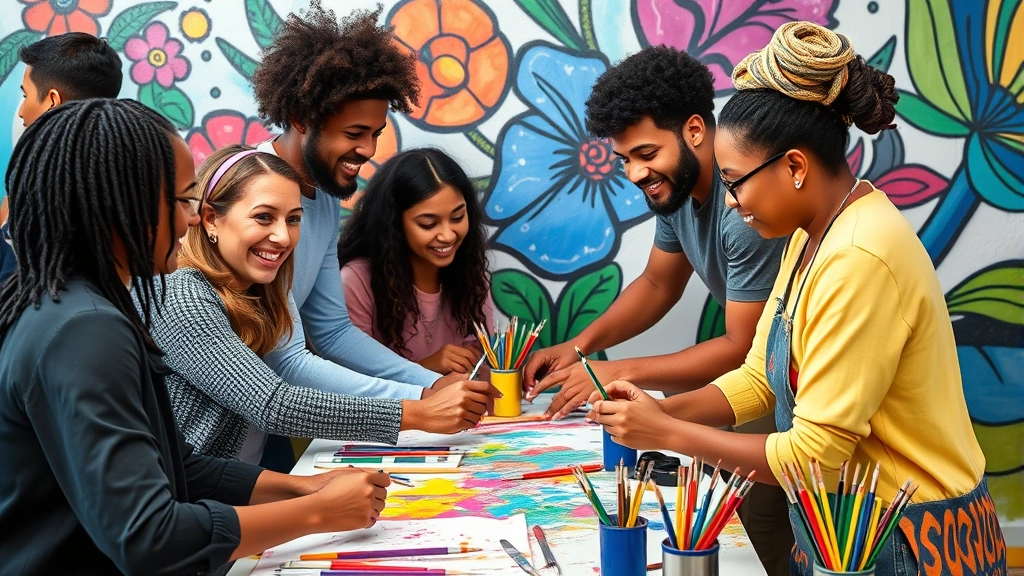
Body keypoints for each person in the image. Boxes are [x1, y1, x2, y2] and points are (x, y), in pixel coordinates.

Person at [587, 23, 1006, 575]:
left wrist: (668, 433)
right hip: (847, 530)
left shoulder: (859, 256)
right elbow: (759, 377)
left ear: (794, 166)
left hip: (907, 539)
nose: (730, 202)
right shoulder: (810, 236)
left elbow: (814, 457)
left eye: (736, 181)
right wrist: (661, 410)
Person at [0, 99, 390, 576]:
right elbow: (149, 538)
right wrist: (317, 513)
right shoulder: (86, 330)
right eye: (183, 201)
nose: (190, 219)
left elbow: (177, 465)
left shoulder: (81, 305)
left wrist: (306, 488)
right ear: (126, 204)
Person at [522, 45, 792, 574]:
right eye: (624, 159)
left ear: (694, 130)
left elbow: (743, 347)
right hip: (751, 380)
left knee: (757, 534)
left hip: (782, 386)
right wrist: (579, 347)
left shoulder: (743, 208)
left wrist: (619, 370)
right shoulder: (678, 189)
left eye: (645, 153)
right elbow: (656, 283)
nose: (634, 173)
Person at [146, 145, 499, 463]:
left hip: (239, 480)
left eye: (293, 219)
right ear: (211, 219)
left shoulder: (266, 286)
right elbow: (273, 404)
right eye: (264, 217)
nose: (283, 237)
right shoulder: (184, 296)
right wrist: (416, 411)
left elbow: (308, 354)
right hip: (191, 497)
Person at [250, 2, 473, 402]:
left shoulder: (323, 193)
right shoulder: (257, 194)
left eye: (375, 133)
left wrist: (431, 382)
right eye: (355, 133)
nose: (369, 149)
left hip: (266, 419)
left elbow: (333, 331)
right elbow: (287, 360)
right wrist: (421, 398)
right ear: (301, 117)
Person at [338, 148, 494, 374]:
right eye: (428, 224)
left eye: (457, 217)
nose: (447, 235)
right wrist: (425, 369)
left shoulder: (471, 276)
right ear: (394, 225)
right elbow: (353, 380)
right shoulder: (358, 280)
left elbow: (483, 365)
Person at [0, 32, 123, 284]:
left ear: (53, 101)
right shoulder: (122, 186)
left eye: (26, 96)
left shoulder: (33, 185)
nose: (21, 111)